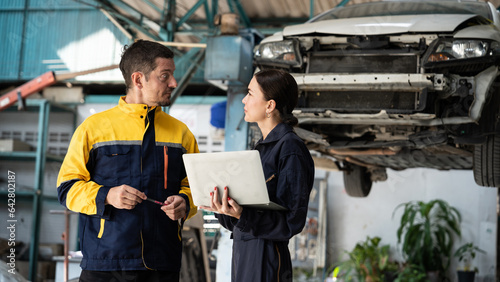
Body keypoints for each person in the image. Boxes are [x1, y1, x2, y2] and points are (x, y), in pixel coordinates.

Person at [56, 39, 199, 282]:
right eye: (165, 76)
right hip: (105, 264)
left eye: (173, 75)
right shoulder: (94, 129)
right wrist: (107, 196)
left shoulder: (181, 133)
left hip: (162, 264)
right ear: (138, 79)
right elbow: (67, 189)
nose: (173, 83)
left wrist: (185, 201)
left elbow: (197, 187)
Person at [201, 69, 315, 281]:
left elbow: (292, 221)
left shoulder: (290, 149)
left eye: (250, 93)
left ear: (270, 105)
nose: (244, 99)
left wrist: (243, 215)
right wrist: (223, 209)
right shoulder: (260, 150)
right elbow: (240, 221)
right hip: (244, 254)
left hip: (267, 258)